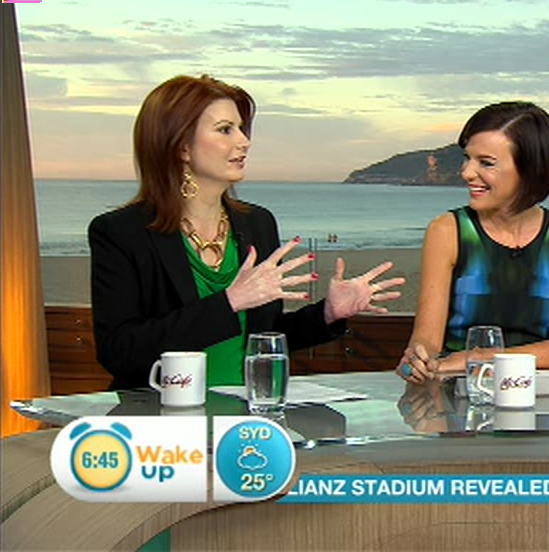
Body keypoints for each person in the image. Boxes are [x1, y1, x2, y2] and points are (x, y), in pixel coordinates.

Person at [89, 74, 405, 391]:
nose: (244, 141)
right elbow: (119, 352)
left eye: (241, 128)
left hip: (249, 413)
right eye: (225, 129)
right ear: (181, 146)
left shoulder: (257, 223)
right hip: (162, 416)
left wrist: (327, 313)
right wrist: (229, 302)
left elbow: (264, 335)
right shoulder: (121, 233)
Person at [396, 102, 549, 383]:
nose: (466, 173)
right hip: (457, 394)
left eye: (486, 163)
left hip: (537, 395)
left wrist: (474, 359)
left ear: (530, 169)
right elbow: (427, 339)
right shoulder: (447, 231)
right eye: (467, 159)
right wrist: (419, 358)